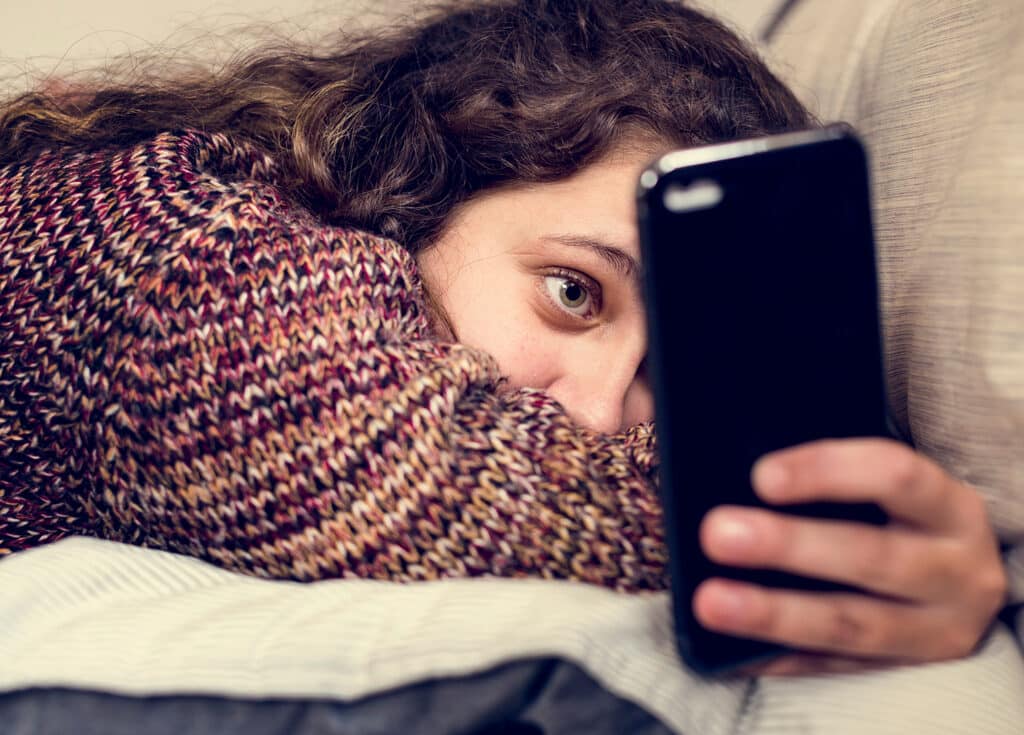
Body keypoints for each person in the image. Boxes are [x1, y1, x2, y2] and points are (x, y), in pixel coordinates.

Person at [0, 0, 1008, 679]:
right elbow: (393, 475)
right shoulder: (153, 229)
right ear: (409, 191)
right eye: (574, 292)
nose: (605, 408)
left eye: (673, 369)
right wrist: (846, 548)